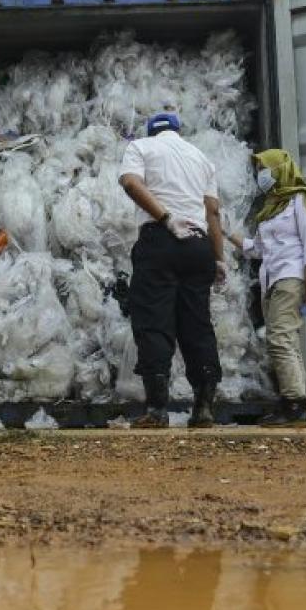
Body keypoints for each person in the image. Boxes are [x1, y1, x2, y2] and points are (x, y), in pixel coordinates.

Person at [118, 111, 225, 428]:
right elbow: (213, 212)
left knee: (153, 320)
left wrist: (165, 218)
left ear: (152, 131)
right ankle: (204, 407)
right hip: (198, 245)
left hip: (160, 240)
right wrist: (218, 258)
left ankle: (157, 410)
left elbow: (130, 182)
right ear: (179, 131)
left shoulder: (141, 147)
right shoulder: (201, 158)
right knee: (197, 325)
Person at [228, 149, 306, 427]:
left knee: (280, 339)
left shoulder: (301, 199)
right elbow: (256, 249)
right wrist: (225, 231)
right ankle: (296, 403)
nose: (261, 174)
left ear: (279, 169)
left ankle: (295, 405)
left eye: (265, 167)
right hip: (271, 281)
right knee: (286, 340)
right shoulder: (271, 208)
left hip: (293, 278)